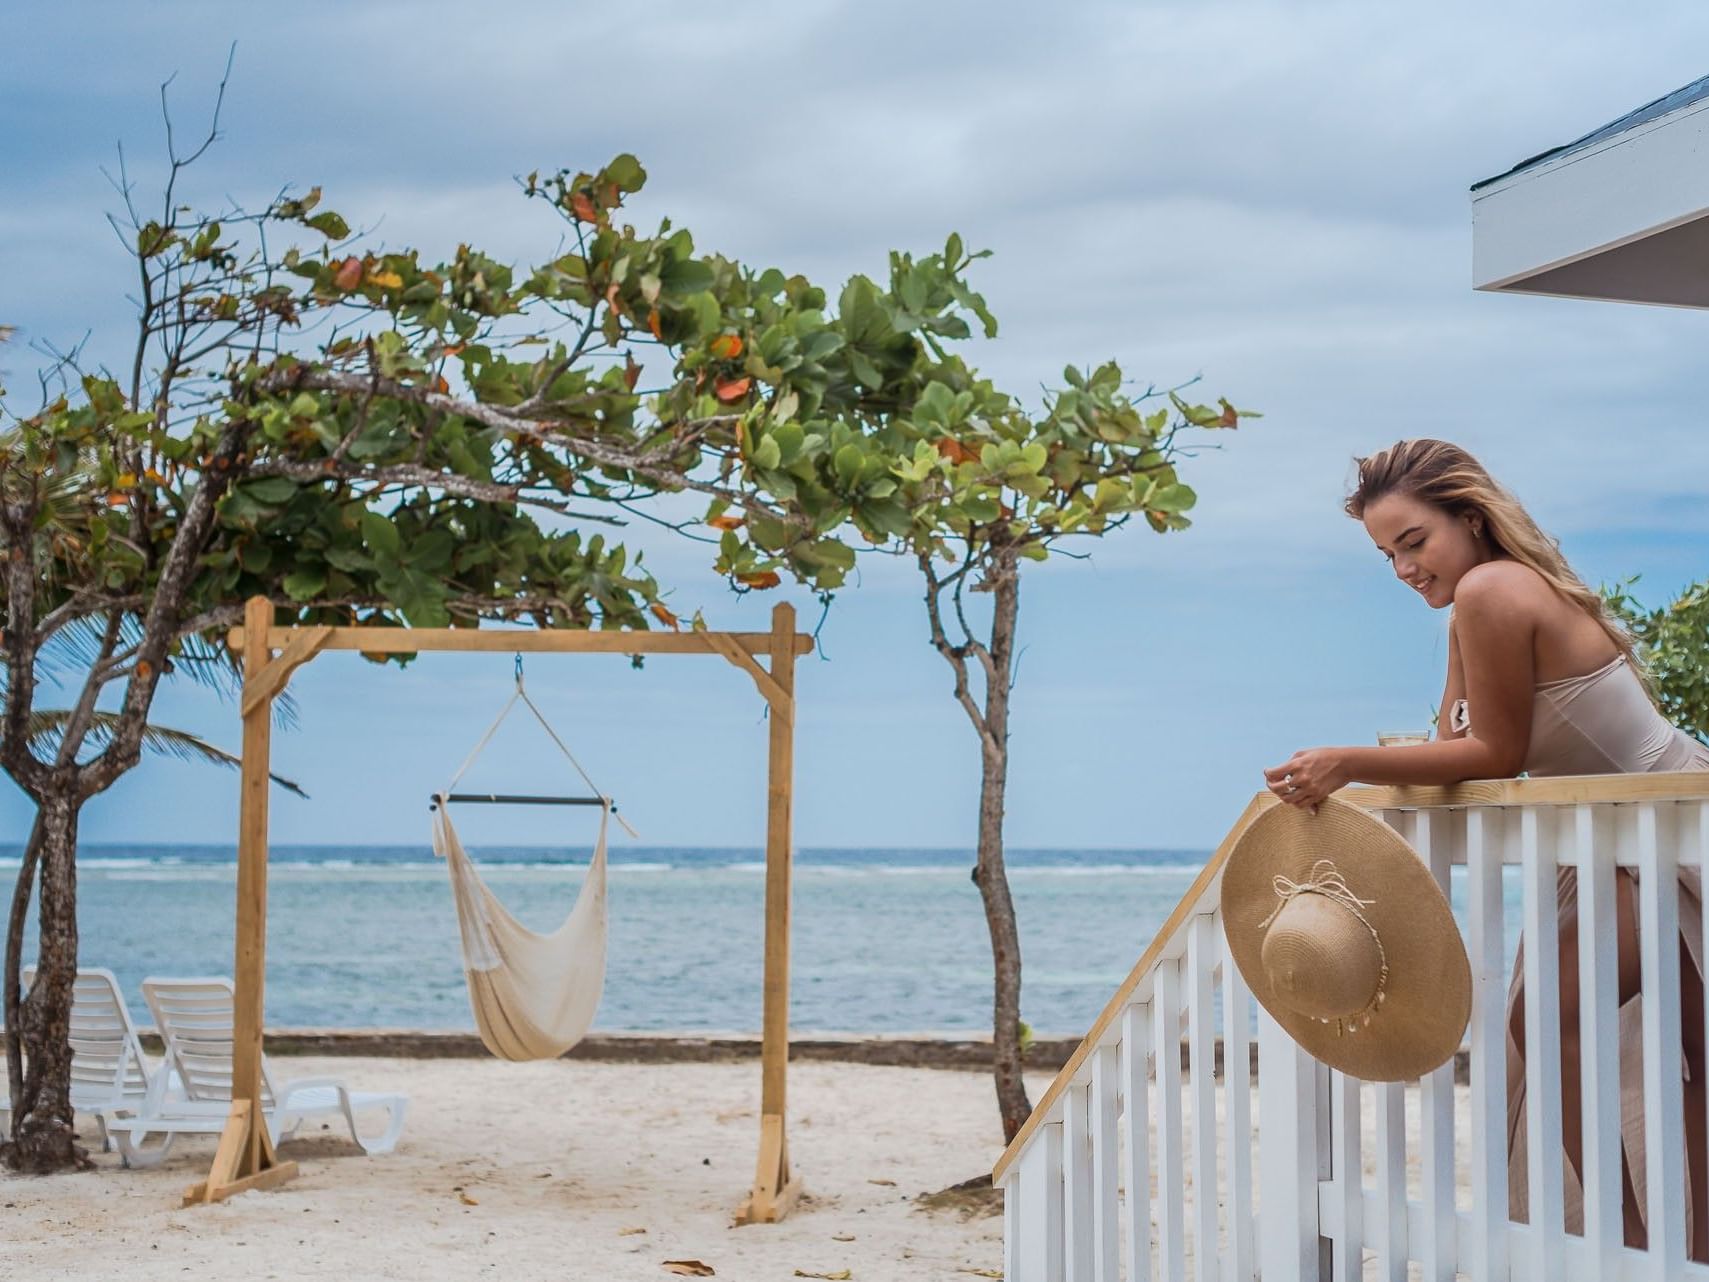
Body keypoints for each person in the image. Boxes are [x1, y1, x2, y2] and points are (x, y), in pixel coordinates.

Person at [1263, 438, 1707, 1260]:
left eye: (1413, 542)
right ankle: (1664, 1246)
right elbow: (1452, 742)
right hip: (1618, 837)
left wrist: (1346, 761)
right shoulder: (1478, 599)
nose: (1401, 569)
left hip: (1663, 828)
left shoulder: (1494, 590)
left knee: (1555, 1026)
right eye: (1385, 555)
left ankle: (1632, 1245)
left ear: (1468, 518)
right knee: (1673, 1043)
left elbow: (1495, 755)